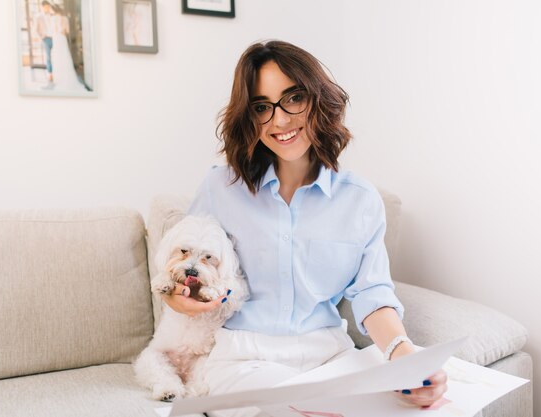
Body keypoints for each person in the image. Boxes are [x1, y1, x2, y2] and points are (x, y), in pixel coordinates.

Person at [163, 40, 447, 417]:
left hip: (330, 355)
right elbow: (185, 264)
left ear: (318, 99)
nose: (280, 121)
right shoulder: (220, 188)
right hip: (244, 358)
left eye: (293, 98)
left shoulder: (360, 200)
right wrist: (178, 299)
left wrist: (403, 354)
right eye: (262, 107)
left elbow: (371, 293)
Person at [48, 5, 87, 91]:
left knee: (58, 58)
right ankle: (68, 76)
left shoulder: (53, 19)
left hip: (56, 39)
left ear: (54, 10)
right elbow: (67, 31)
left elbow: (52, 31)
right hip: (62, 39)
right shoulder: (65, 18)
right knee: (65, 57)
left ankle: (59, 79)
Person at [35, 1, 55, 88]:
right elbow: (35, 29)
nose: (48, 8)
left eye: (48, 6)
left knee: (55, 56)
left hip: (54, 38)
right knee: (49, 56)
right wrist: (42, 37)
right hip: (46, 38)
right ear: (43, 7)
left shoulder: (52, 15)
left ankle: (57, 72)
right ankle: (50, 74)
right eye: (46, 6)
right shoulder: (38, 16)